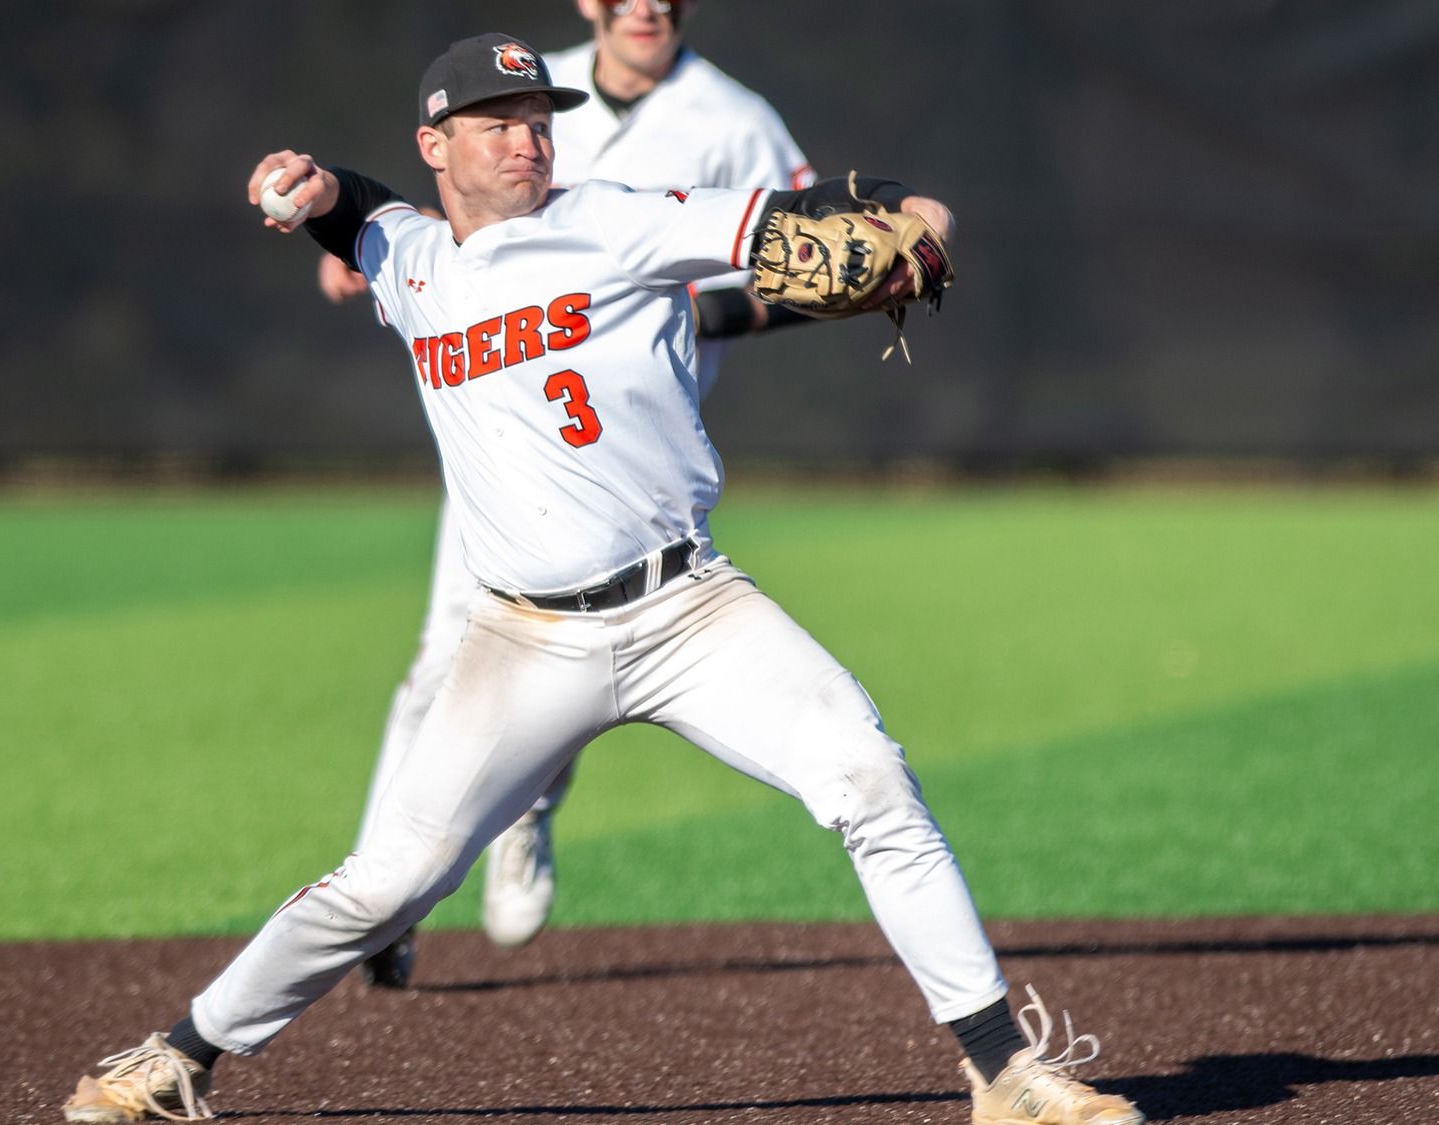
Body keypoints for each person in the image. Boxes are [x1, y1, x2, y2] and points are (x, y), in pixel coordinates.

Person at [59, 33, 1144, 1125]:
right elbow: (363, 210)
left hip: (691, 610)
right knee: (387, 883)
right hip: (520, 642)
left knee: (869, 779)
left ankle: (1004, 1072)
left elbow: (805, 211)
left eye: (537, 115)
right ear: (437, 143)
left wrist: (913, 210)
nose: (527, 136)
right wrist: (304, 184)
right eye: (496, 120)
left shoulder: (620, 217)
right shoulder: (410, 261)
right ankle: (178, 1058)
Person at [324, 0, 821, 985]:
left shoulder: (734, 118)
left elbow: (809, 258)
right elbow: (450, 233)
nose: (646, 6)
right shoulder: (520, 92)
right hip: (500, 445)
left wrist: (694, 301)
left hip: (626, 453)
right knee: (439, 663)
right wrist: (369, 256)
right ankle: (382, 907)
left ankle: (525, 810)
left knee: (576, 665)